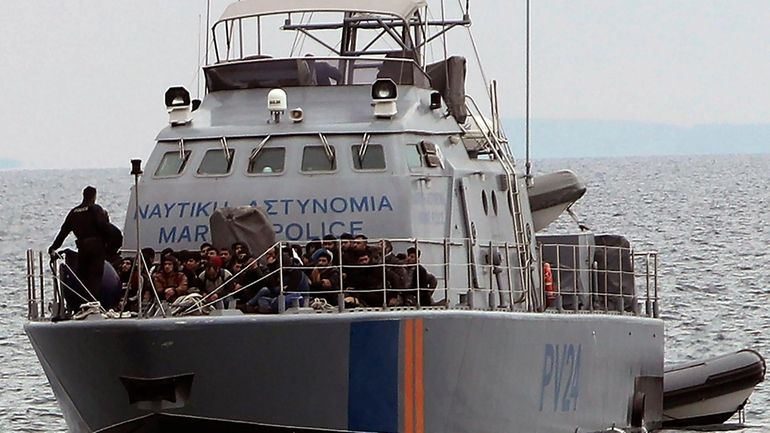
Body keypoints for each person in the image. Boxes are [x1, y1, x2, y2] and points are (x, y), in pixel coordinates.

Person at [48, 186, 111, 308]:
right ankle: (93, 305)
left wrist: (53, 247)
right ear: (94, 196)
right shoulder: (95, 209)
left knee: (83, 277)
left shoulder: (73, 212)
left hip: (82, 248)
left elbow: (63, 232)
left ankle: (83, 304)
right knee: (96, 276)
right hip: (96, 247)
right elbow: (103, 226)